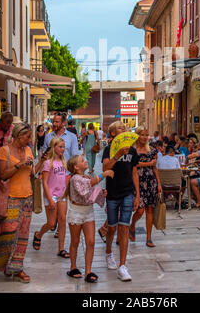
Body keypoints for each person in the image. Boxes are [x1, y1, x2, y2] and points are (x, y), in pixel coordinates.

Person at [0, 123, 45, 282]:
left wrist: (41, 162)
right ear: (18, 135)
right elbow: (3, 175)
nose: (30, 140)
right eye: (28, 136)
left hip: (27, 197)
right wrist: (18, 165)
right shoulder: (5, 151)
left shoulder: (28, 150)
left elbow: (32, 173)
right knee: (7, 231)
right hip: (11, 197)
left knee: (23, 234)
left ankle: (17, 269)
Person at [64, 155, 114, 282]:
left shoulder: (87, 177)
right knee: (75, 241)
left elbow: (90, 194)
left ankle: (88, 271)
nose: (85, 161)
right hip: (76, 212)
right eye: (82, 161)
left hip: (88, 212)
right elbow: (86, 187)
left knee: (90, 242)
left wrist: (101, 192)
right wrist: (103, 174)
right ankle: (73, 267)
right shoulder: (74, 178)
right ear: (76, 167)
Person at [102, 121, 140, 281]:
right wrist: (117, 155)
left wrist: (137, 194)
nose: (123, 129)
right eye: (119, 127)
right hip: (112, 192)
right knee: (112, 228)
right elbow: (105, 169)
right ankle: (109, 252)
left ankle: (122, 266)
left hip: (127, 192)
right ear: (112, 134)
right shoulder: (108, 149)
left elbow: (134, 172)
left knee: (124, 227)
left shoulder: (132, 150)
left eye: (124, 127)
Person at [32, 138, 69, 258]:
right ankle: (38, 234)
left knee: (62, 221)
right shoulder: (48, 163)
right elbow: (45, 182)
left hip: (62, 195)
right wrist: (50, 199)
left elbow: (64, 179)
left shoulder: (64, 162)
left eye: (63, 147)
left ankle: (61, 249)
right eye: (60, 147)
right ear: (54, 148)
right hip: (51, 195)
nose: (62, 149)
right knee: (51, 223)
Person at [129, 126, 162, 248]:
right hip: (137, 181)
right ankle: (132, 225)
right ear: (137, 135)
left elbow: (155, 168)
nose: (144, 137)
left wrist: (159, 184)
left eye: (146, 134)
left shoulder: (152, 150)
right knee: (140, 210)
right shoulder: (132, 150)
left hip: (151, 181)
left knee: (150, 210)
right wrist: (148, 163)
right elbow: (134, 165)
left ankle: (149, 238)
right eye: (142, 134)